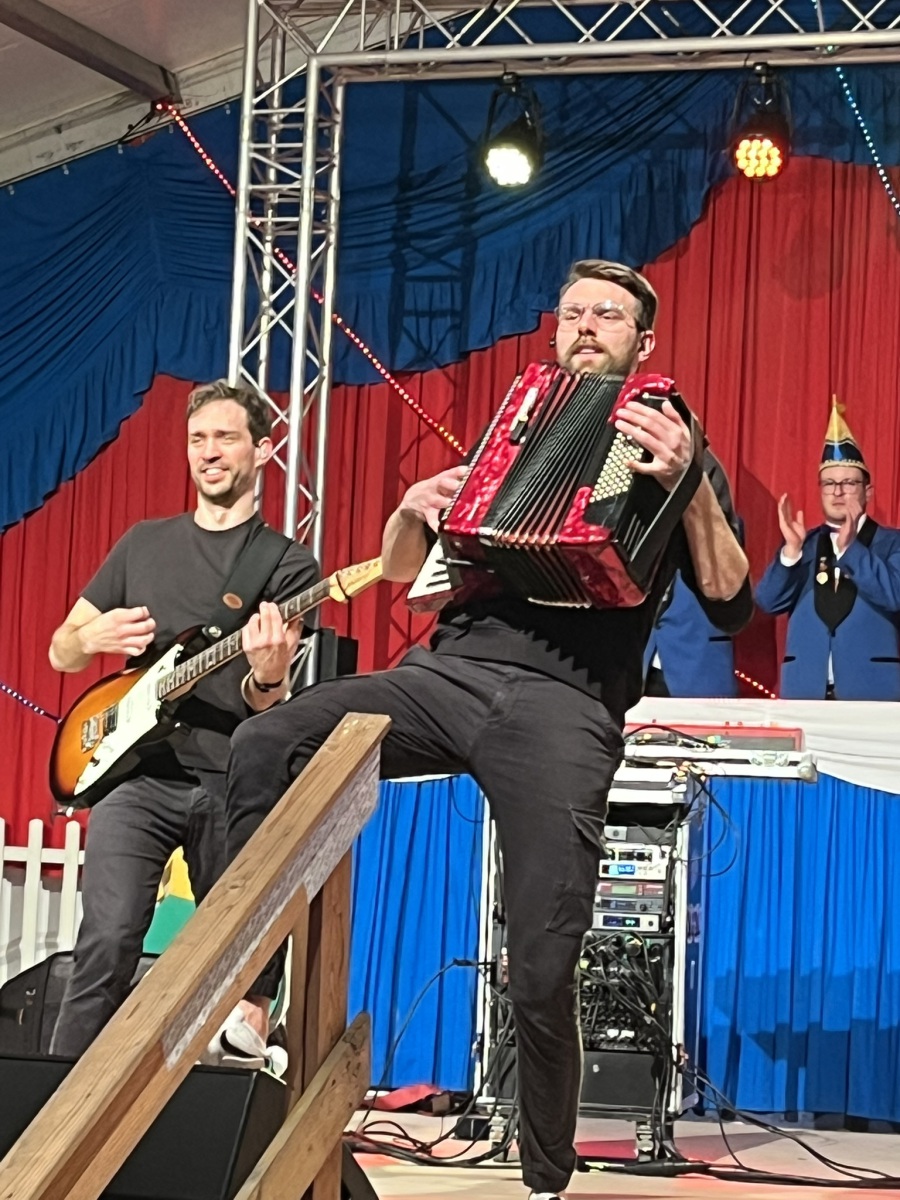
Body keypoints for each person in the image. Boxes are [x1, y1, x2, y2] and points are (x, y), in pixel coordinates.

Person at [222, 260, 752, 1200]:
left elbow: (730, 600)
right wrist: (410, 507)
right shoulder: (513, 432)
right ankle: (252, 998)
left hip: (567, 704)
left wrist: (692, 484)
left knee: (542, 964)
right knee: (265, 741)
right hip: (450, 673)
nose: (584, 325)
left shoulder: (675, 442)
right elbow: (402, 572)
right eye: (572, 311)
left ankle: (547, 1175)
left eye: (608, 315)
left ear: (642, 342)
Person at [48, 380, 319, 1058]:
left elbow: (266, 703)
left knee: (242, 948)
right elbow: (61, 650)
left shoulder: (286, 565)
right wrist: (91, 637)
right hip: (135, 772)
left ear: (263, 449)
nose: (208, 452)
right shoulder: (143, 544)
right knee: (106, 942)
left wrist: (269, 673)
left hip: (229, 775)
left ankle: (235, 1080)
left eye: (225, 437)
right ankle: (53, 1104)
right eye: (198, 439)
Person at [756, 401, 900, 700]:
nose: (837, 492)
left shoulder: (892, 543)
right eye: (829, 483)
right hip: (805, 691)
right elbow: (768, 602)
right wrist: (790, 553)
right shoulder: (803, 543)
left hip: (873, 692)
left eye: (848, 483)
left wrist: (851, 550)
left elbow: (894, 595)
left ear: (867, 491)